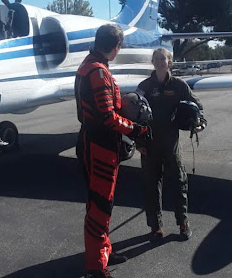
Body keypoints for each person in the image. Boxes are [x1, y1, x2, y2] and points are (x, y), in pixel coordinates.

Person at [74, 24, 149, 278]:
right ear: (115, 47)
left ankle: (103, 251)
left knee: (103, 204)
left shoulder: (90, 65)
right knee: (99, 206)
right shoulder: (98, 72)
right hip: (100, 146)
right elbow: (108, 116)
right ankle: (95, 267)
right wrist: (136, 130)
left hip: (96, 142)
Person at [136, 48, 203, 242]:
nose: (159, 62)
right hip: (148, 143)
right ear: (152, 62)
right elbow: (133, 114)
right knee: (151, 185)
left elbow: (196, 106)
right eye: (156, 59)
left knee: (179, 182)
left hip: (171, 142)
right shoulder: (145, 86)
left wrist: (200, 123)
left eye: (163, 59)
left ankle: (183, 222)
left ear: (169, 62)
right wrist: (138, 141)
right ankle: (155, 227)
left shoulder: (179, 85)